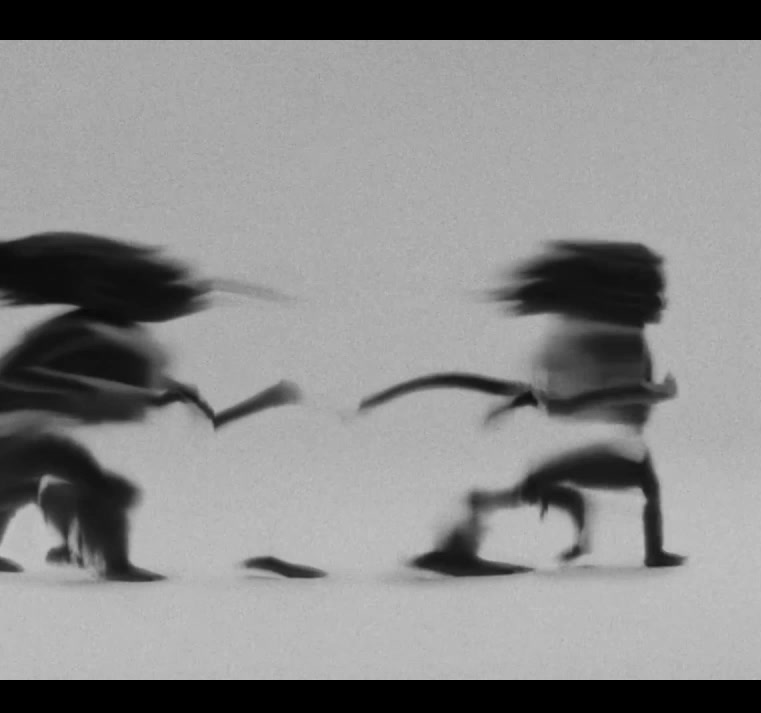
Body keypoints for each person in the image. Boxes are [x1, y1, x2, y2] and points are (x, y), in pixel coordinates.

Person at [358, 240, 686, 574]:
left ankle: (646, 551)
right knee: (624, 480)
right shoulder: (592, 345)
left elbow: (552, 396)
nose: (660, 304)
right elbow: (570, 400)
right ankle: (463, 537)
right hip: (591, 443)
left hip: (597, 443)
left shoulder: (604, 343)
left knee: (634, 481)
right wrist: (647, 392)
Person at [0, 231, 297, 581]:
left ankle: (89, 550)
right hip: (17, 433)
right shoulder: (83, 333)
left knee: (29, 486)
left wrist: (163, 392)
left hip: (20, 433)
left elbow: (104, 379)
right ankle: (114, 565)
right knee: (105, 490)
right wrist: (147, 397)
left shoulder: (93, 330)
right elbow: (64, 383)